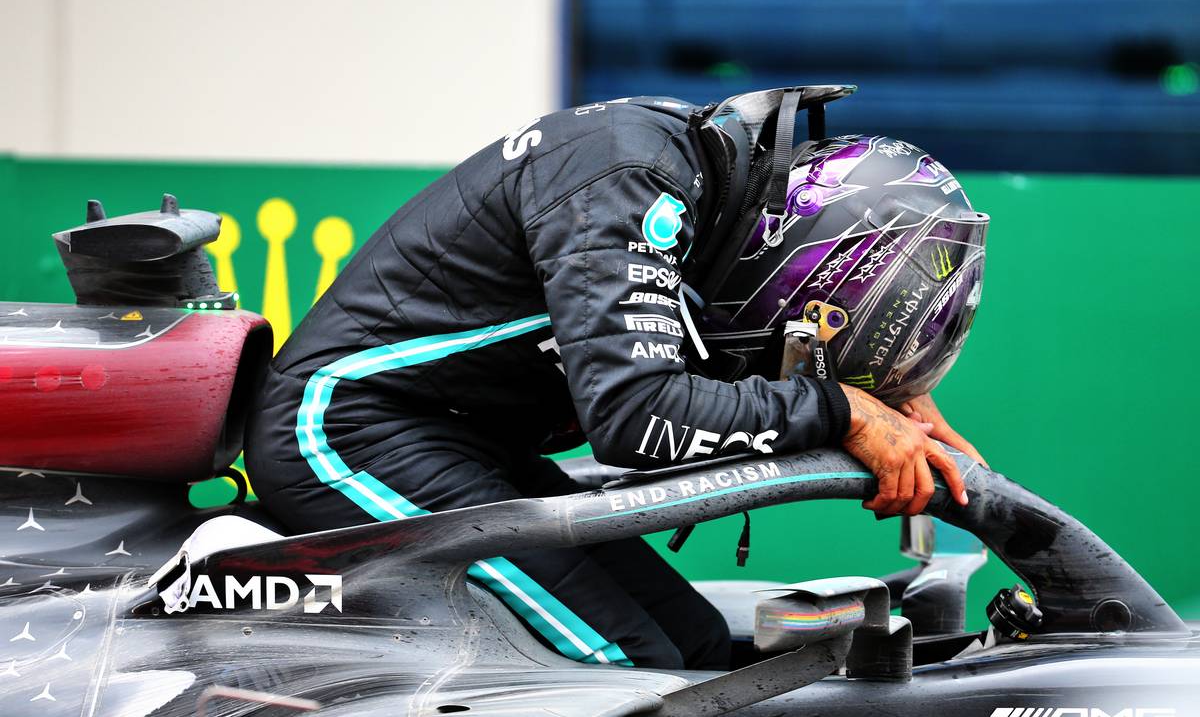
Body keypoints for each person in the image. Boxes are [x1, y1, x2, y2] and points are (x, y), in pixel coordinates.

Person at [244, 86, 989, 672]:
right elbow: (636, 412)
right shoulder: (631, 178)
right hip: (342, 429)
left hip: (451, 435)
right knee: (620, 667)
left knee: (690, 645)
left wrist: (881, 392)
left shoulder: (698, 176)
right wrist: (843, 411)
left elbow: (675, 352)